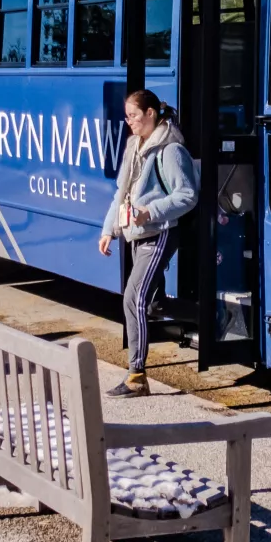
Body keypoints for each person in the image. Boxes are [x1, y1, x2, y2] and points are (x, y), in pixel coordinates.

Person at [96, 90, 198, 397]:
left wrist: (150, 212)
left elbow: (187, 196)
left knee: (133, 297)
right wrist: (108, 230)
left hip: (160, 231)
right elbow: (121, 193)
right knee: (154, 303)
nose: (129, 123)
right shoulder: (133, 146)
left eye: (134, 116)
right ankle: (213, 316)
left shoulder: (171, 150)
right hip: (136, 232)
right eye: (127, 117)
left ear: (151, 113)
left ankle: (136, 377)